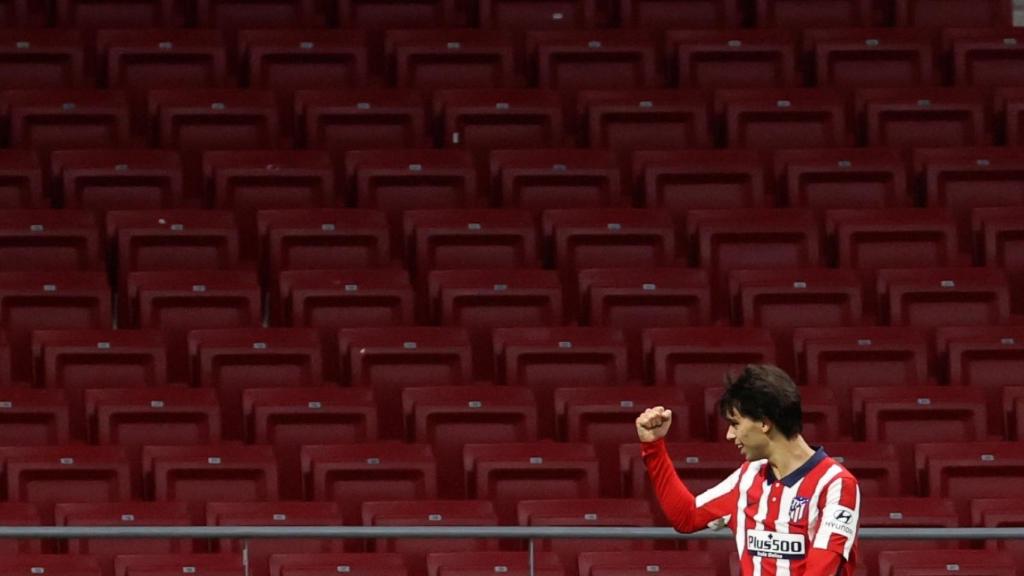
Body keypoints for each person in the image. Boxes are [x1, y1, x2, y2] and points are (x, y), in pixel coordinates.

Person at [636, 364, 860, 576]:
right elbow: (686, 517)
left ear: (764, 423)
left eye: (735, 424)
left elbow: (820, 571)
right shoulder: (747, 478)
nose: (730, 435)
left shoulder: (836, 485)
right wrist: (654, 447)